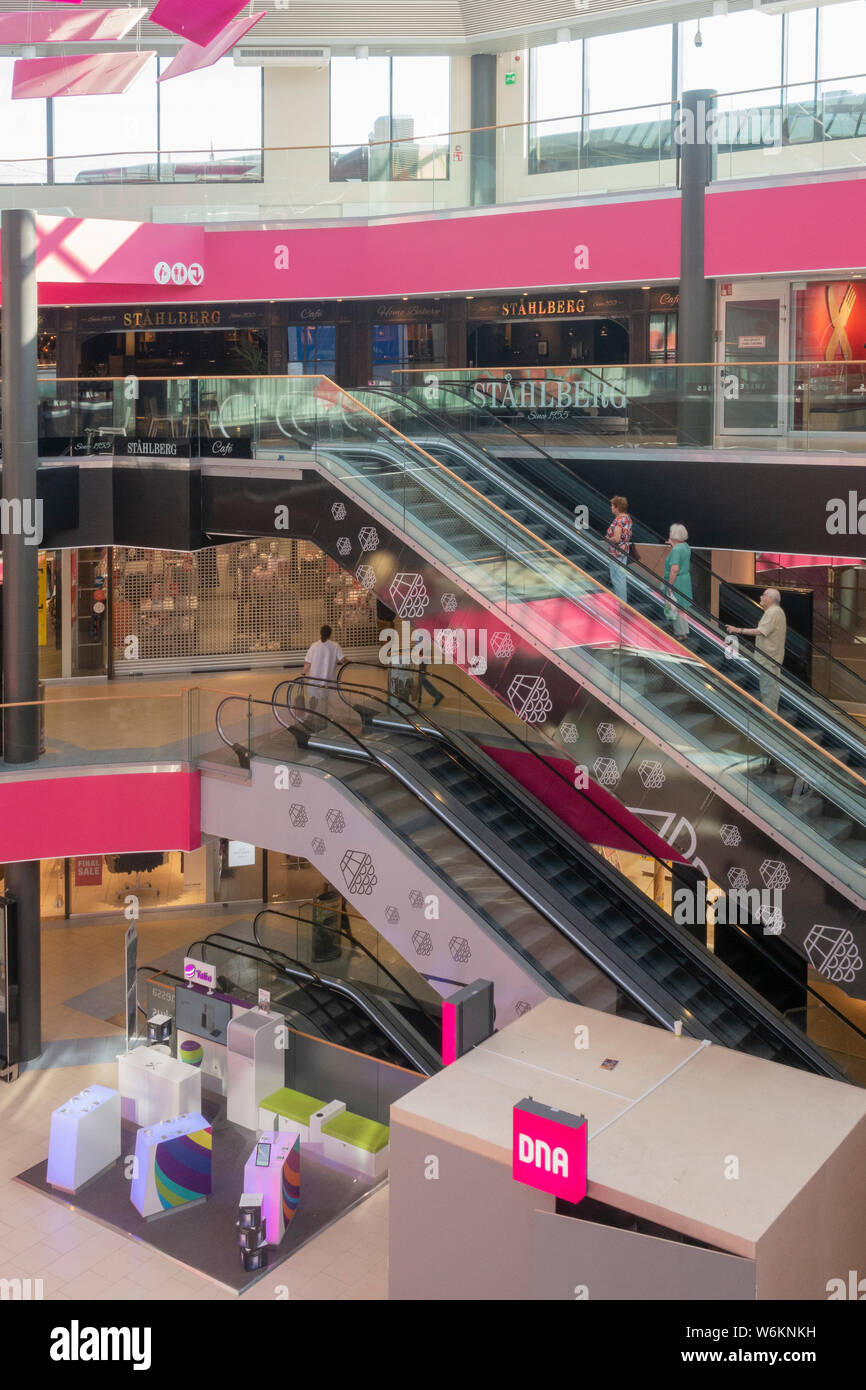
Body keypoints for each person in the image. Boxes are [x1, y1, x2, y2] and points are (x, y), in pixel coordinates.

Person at [726, 588, 787, 715]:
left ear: (770, 599)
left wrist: (738, 630)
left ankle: (769, 718)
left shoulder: (773, 612)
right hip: (773, 657)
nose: (760, 597)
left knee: (768, 688)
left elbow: (761, 631)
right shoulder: (777, 611)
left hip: (769, 658)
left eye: (763, 595)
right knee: (771, 687)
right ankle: (770, 714)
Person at [303, 624, 345, 715]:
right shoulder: (335, 646)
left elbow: (308, 662)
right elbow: (342, 659)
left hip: (314, 678)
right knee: (325, 697)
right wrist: (351, 662)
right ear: (330, 634)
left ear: (320, 633)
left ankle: (311, 714)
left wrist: (303, 673)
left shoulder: (314, 646)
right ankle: (324, 717)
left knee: (313, 697)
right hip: (328, 679)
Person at [664, 524, 693, 639]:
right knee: (682, 607)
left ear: (674, 534)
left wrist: (670, 586)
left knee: (675, 606)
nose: (669, 533)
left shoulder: (676, 550)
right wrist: (672, 544)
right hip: (685, 579)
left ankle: (680, 633)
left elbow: (674, 569)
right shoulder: (685, 546)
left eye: (671, 532)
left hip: (677, 581)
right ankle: (684, 631)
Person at [605, 495, 632, 602]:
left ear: (617, 507)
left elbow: (616, 538)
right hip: (624, 550)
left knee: (616, 578)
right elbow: (629, 533)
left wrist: (607, 538)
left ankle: (621, 602)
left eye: (612, 505)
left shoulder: (619, 520)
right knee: (621, 576)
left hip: (616, 552)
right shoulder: (627, 518)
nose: (611, 507)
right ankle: (621, 601)